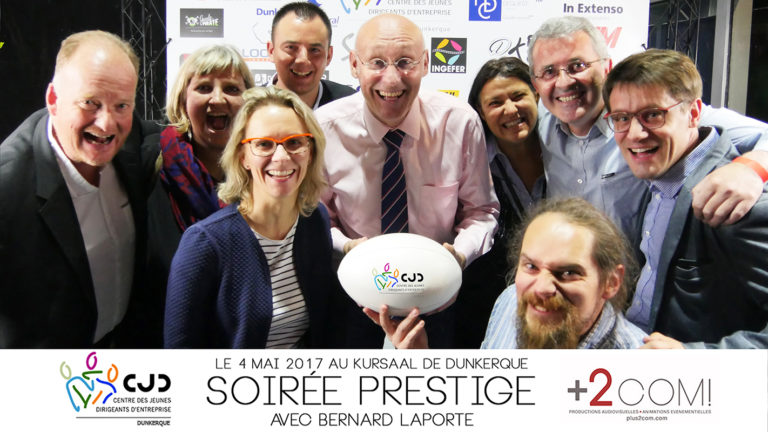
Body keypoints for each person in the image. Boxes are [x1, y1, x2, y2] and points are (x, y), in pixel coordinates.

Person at [315, 14, 499, 348]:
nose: (391, 78)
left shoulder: (459, 123)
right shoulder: (325, 128)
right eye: (377, 62)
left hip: (436, 300)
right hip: (354, 299)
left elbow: (482, 211)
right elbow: (317, 219)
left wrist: (458, 255)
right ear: (354, 64)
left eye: (404, 62)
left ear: (426, 63)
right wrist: (346, 246)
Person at [528, 16, 768, 243]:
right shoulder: (540, 118)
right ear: (536, 84)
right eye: (549, 72)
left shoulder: (659, 115)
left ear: (606, 67)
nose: (564, 82)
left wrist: (749, 170)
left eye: (577, 66)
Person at [0, 30, 156, 347]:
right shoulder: (7, 189)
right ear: (53, 100)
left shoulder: (132, 138)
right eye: (90, 103)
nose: (106, 124)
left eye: (121, 105)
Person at [603, 49, 768, 349]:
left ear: (693, 114)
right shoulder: (659, 176)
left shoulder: (737, 201)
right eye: (622, 118)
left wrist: (691, 358)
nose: (635, 133)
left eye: (653, 115)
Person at [163, 86, 344, 348]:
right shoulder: (203, 244)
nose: (281, 158)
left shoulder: (315, 219)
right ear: (243, 157)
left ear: (311, 152)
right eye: (264, 144)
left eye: (294, 142)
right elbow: (179, 354)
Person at [366, 198, 647, 349]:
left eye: (567, 273)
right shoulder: (511, 301)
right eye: (531, 267)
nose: (542, 287)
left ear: (611, 282)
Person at [144, 45, 254, 345]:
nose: (217, 98)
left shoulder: (265, 177)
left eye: (231, 88)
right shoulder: (148, 165)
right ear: (183, 99)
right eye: (204, 87)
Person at [457, 56, 545, 347]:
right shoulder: (469, 161)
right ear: (480, 112)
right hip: (485, 309)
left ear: (536, 95)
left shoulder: (565, 149)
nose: (510, 109)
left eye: (518, 96)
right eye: (495, 103)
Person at [268, 1, 355, 109]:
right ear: (271, 51)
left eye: (314, 50)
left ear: (329, 55)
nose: (303, 59)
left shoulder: (351, 105)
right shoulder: (249, 106)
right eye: (291, 47)